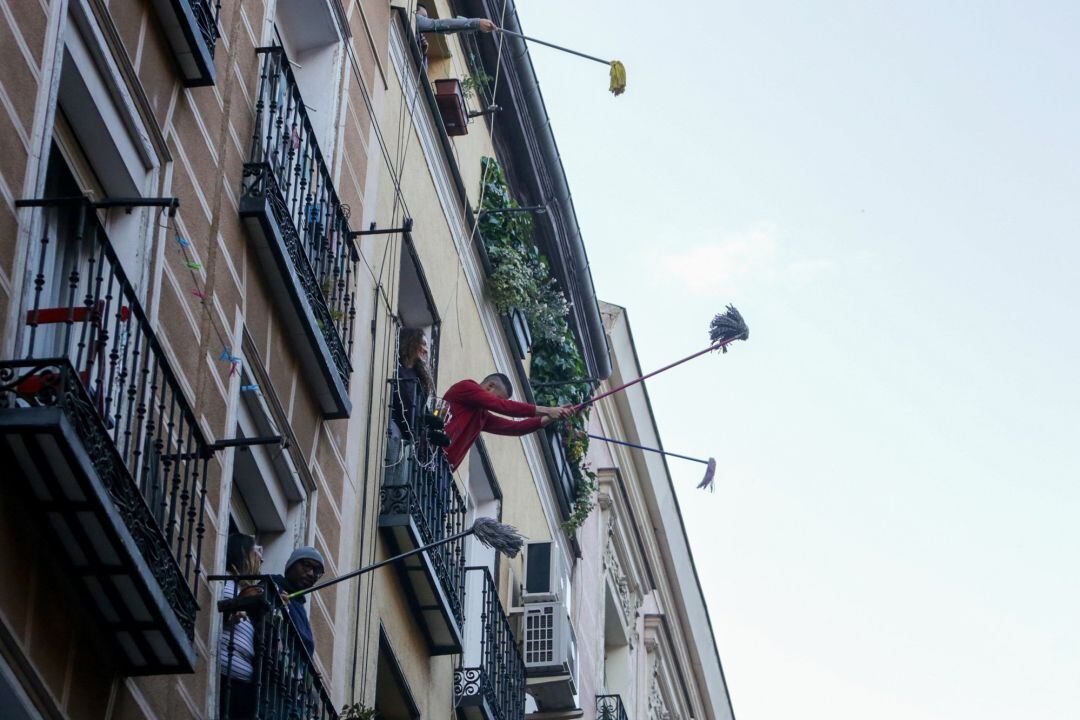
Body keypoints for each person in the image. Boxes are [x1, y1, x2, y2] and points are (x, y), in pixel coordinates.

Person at [443, 373, 570, 470]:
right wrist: (547, 410)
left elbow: (515, 428)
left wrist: (551, 417)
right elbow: (502, 406)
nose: (499, 402)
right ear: (490, 386)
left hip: (443, 467)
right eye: (500, 398)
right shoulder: (467, 387)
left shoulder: (482, 415)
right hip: (433, 451)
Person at [218, 534, 264, 720]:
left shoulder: (242, 588)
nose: (261, 558)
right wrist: (231, 613)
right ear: (242, 552)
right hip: (225, 676)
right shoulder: (225, 582)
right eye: (257, 551)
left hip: (243, 682)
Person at [272, 546, 325, 658]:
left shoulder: (300, 607)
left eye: (317, 571)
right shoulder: (272, 586)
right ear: (291, 565)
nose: (311, 574)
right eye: (306, 565)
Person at [415, 4, 497, 35]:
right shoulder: (414, 18)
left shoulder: (419, 37)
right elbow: (440, 24)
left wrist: (424, 52)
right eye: (423, 16)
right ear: (414, 11)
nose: (427, 19)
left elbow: (445, 28)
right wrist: (477, 23)